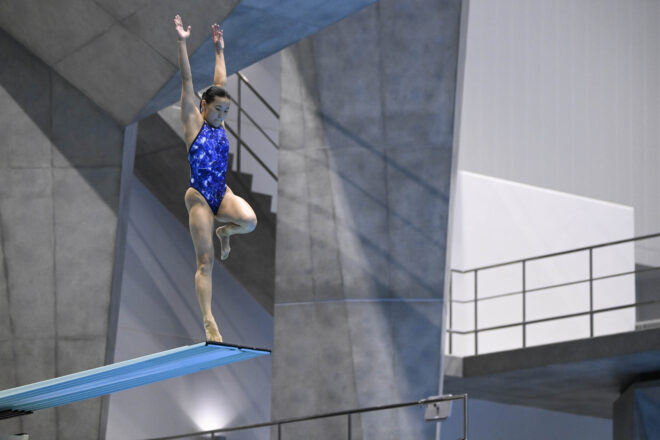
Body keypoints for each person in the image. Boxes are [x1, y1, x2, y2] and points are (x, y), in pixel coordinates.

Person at [174, 15, 257, 342]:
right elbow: (186, 80)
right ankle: (209, 320)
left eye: (226, 112)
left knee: (249, 221)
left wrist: (219, 49)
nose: (222, 117)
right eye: (218, 111)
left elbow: (220, 80)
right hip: (199, 197)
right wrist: (182, 42)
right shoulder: (193, 123)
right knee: (205, 262)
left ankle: (226, 232)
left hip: (221, 192)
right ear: (203, 105)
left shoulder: (218, 120)